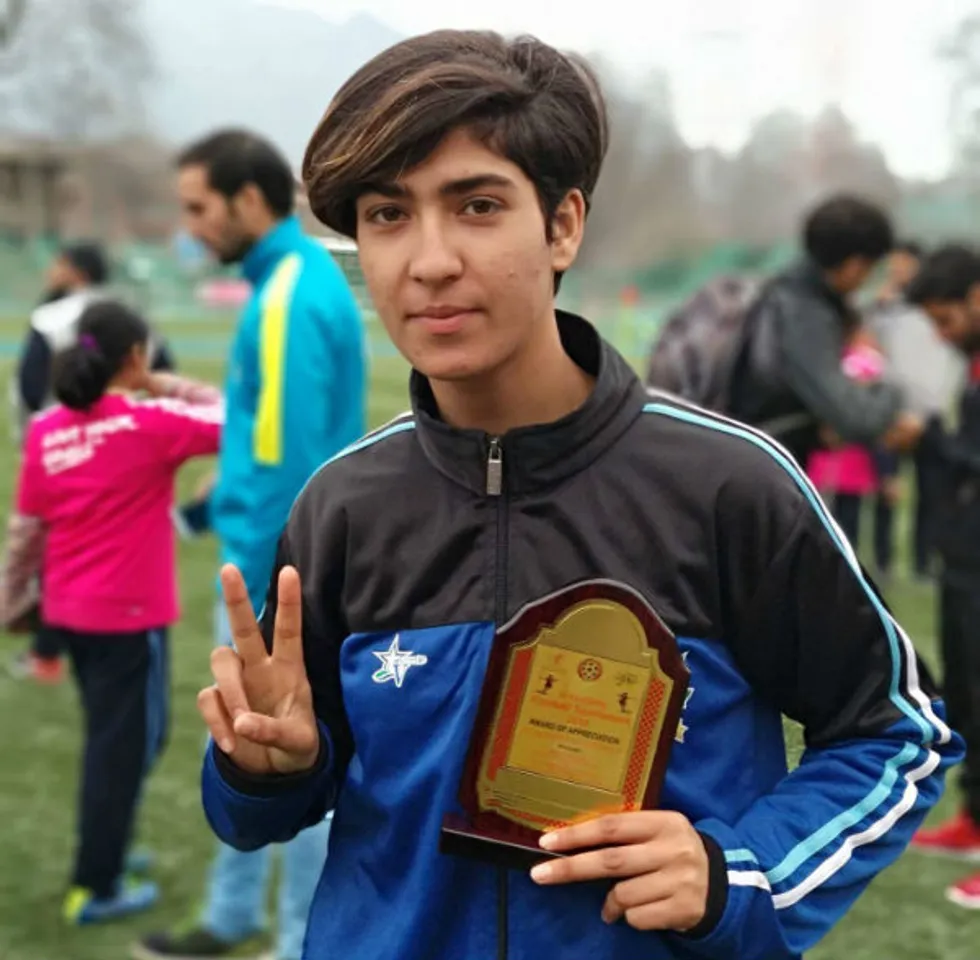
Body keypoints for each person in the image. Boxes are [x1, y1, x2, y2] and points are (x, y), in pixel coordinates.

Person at [192, 30, 962, 960]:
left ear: (562, 224)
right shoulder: (342, 508)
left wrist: (736, 872)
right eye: (387, 216)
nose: (428, 261)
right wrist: (266, 771)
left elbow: (897, 734)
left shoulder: (727, 485)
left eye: (476, 205)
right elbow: (265, 810)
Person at [135, 129, 368, 960]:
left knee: (283, 754)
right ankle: (235, 918)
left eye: (199, 207)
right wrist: (205, 511)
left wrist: (265, 598)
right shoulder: (288, 283)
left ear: (247, 200)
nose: (192, 225)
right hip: (272, 555)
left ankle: (296, 939)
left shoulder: (286, 299)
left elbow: (285, 463)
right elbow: (260, 440)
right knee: (243, 749)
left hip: (275, 575)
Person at [0, 299, 224, 924]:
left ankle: (110, 846)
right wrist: (160, 382)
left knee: (121, 742)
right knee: (124, 750)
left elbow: (26, 530)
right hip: (128, 619)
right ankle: (95, 883)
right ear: (133, 356)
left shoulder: (47, 429)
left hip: (71, 615)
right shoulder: (149, 422)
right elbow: (235, 415)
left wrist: (13, 600)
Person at [8, 242, 178, 685]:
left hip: (61, 447)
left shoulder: (51, 317)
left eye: (60, 262)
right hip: (128, 450)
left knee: (59, 545)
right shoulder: (129, 314)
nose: (52, 269)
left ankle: (49, 650)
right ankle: (61, 645)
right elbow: (163, 371)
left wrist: (39, 441)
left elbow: (28, 388)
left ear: (77, 271)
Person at [728, 196, 923, 466]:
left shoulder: (782, 294)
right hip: (759, 471)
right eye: (870, 269)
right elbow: (857, 418)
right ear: (856, 264)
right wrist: (893, 391)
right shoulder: (805, 314)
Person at [904, 246, 980, 904]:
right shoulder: (972, 365)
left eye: (946, 318)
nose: (941, 333)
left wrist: (927, 440)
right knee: (968, 689)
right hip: (965, 561)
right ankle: (974, 819)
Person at [806, 324, 888, 545]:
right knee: (824, 508)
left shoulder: (866, 362)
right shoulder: (829, 359)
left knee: (848, 512)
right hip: (830, 452)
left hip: (853, 454)